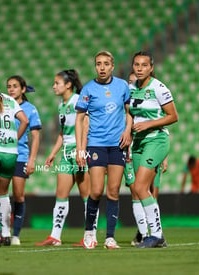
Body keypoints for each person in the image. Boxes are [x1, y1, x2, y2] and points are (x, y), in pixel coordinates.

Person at [75, 51, 132, 249]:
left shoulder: (123, 86)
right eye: (98, 63)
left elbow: (129, 112)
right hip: (96, 143)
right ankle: (89, 232)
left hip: (118, 145)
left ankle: (110, 237)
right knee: (97, 190)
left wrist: (128, 131)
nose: (102, 67)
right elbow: (80, 119)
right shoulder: (88, 89)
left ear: (112, 66)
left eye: (106, 63)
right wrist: (80, 149)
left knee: (114, 191)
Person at [36, 69, 96, 246]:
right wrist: (53, 153)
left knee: (87, 196)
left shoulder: (78, 100)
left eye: (57, 83)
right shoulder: (62, 105)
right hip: (66, 153)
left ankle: (90, 236)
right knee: (61, 194)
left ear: (68, 84)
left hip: (79, 151)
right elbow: (63, 133)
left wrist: (81, 151)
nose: (53, 86)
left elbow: (85, 126)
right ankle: (55, 236)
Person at [129, 51, 178, 248]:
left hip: (156, 139)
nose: (139, 68)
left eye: (144, 65)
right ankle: (156, 236)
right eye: (136, 65)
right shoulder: (131, 88)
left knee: (141, 187)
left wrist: (149, 124)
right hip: (138, 142)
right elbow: (129, 115)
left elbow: (173, 116)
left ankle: (156, 235)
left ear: (151, 68)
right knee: (139, 189)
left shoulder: (159, 88)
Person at [0, 73, 28, 247]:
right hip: (10, 152)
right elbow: (25, 120)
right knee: (4, 193)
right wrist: (14, 138)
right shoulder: (8, 99)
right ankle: (6, 233)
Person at [0, 75, 42, 246]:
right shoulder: (3, 107)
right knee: (1, 194)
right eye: (9, 86)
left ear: (23, 89)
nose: (11, 89)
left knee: (18, 195)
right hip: (3, 154)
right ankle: (4, 232)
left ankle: (15, 234)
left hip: (21, 155)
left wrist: (32, 160)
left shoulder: (30, 109)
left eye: (15, 86)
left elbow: (36, 137)